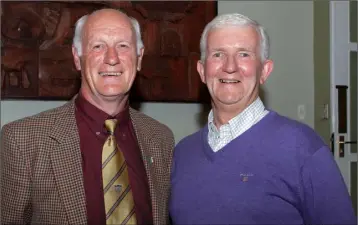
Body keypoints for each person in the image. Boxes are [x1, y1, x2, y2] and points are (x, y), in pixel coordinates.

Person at [169, 13, 356, 224]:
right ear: (202, 71)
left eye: (244, 54)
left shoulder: (303, 149)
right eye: (218, 54)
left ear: (264, 71)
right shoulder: (182, 154)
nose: (230, 66)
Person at [1, 9, 175, 225]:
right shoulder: (23, 140)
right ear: (77, 58)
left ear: (138, 58)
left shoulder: (161, 139)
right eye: (98, 46)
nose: (112, 58)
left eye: (123, 46)